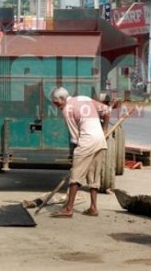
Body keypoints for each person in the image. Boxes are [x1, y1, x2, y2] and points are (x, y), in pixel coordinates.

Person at [49, 87, 111, 218]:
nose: (55, 105)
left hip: (86, 141)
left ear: (62, 99)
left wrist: (76, 159)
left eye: (55, 102)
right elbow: (107, 110)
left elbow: (75, 137)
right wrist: (104, 129)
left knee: (75, 175)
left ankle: (68, 209)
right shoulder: (85, 98)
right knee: (94, 175)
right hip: (100, 140)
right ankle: (93, 207)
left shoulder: (67, 109)